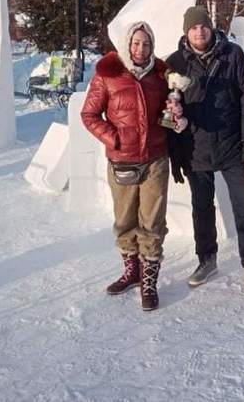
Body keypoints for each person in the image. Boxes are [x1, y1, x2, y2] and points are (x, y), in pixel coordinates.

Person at [167, 5, 244, 296]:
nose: (199, 31)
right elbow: (167, 112)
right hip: (195, 147)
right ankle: (207, 259)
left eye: (203, 26)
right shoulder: (174, 62)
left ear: (211, 27)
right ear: (186, 32)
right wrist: (176, 154)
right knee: (201, 208)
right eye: (193, 28)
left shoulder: (232, 54)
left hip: (232, 145)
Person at [81, 21, 177, 312]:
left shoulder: (161, 75)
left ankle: (149, 282)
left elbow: (165, 112)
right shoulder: (108, 74)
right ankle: (131, 271)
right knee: (125, 221)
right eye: (136, 43)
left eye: (146, 44)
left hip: (155, 159)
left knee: (152, 223)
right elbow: (89, 114)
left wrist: (173, 115)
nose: (141, 49)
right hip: (122, 160)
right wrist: (114, 137)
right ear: (127, 44)